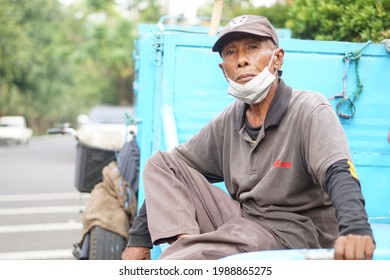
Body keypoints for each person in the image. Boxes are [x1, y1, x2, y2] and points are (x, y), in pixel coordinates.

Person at [122, 15, 375, 260]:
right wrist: (139, 238)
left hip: (295, 233)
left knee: (185, 260)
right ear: (224, 70)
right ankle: (190, 251)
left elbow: (339, 171)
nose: (242, 60)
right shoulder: (229, 119)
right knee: (161, 163)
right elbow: (172, 171)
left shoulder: (309, 108)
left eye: (252, 48)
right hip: (245, 220)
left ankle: (189, 256)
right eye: (231, 53)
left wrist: (356, 228)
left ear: (277, 59)